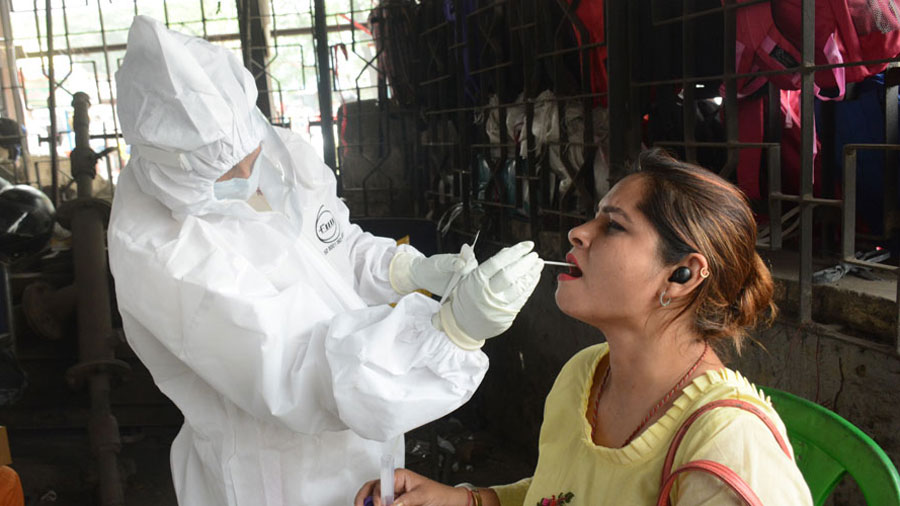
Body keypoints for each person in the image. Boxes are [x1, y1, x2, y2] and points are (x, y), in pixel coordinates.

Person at [108, 16, 544, 506]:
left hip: (365, 435)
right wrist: (450, 333)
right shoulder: (164, 251)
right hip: (272, 478)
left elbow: (333, 246)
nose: (250, 172)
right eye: (228, 170)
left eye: (251, 151)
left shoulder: (270, 150)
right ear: (176, 168)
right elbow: (299, 368)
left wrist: (403, 270)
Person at [355, 149, 813, 505]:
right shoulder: (585, 374)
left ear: (682, 275)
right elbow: (562, 494)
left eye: (612, 226)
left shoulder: (727, 447)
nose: (579, 232)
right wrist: (462, 499)